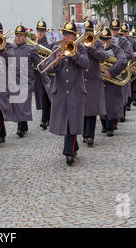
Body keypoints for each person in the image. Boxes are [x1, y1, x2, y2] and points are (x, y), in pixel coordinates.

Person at [44, 21, 89, 165]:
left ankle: (68, 152)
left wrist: (73, 53)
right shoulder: (57, 48)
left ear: (75, 36)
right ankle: (73, 146)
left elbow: (85, 64)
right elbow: (48, 69)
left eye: (70, 35)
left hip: (76, 90)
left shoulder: (80, 48)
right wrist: (57, 61)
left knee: (72, 121)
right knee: (66, 121)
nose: (67, 37)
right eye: (65, 34)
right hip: (62, 91)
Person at [9, 23, 40, 138]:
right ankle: (23, 125)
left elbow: (38, 63)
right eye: (17, 35)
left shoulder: (30, 49)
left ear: (25, 37)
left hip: (26, 80)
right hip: (14, 80)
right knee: (17, 104)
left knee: (23, 104)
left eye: (21, 35)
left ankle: (20, 128)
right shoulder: (11, 48)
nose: (18, 37)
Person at [82, 20, 107, 147]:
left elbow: (103, 57)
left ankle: (90, 136)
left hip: (93, 80)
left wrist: (91, 48)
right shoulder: (78, 42)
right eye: (86, 31)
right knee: (82, 109)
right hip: (81, 79)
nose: (87, 33)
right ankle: (84, 133)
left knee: (91, 109)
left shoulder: (97, 43)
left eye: (89, 31)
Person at [99, 28, 128, 137]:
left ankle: (110, 126)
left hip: (112, 81)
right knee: (102, 104)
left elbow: (123, 60)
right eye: (102, 40)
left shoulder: (116, 49)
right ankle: (104, 125)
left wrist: (111, 71)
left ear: (111, 39)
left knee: (111, 104)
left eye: (107, 40)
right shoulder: (98, 49)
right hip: (101, 81)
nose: (104, 42)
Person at [33, 19, 53, 130]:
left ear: (45, 31)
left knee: (47, 96)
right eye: (39, 30)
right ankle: (45, 118)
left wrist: (47, 60)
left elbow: (53, 54)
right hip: (38, 73)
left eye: (42, 30)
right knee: (41, 95)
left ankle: (46, 119)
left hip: (48, 73)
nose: (40, 33)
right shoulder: (35, 42)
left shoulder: (49, 42)